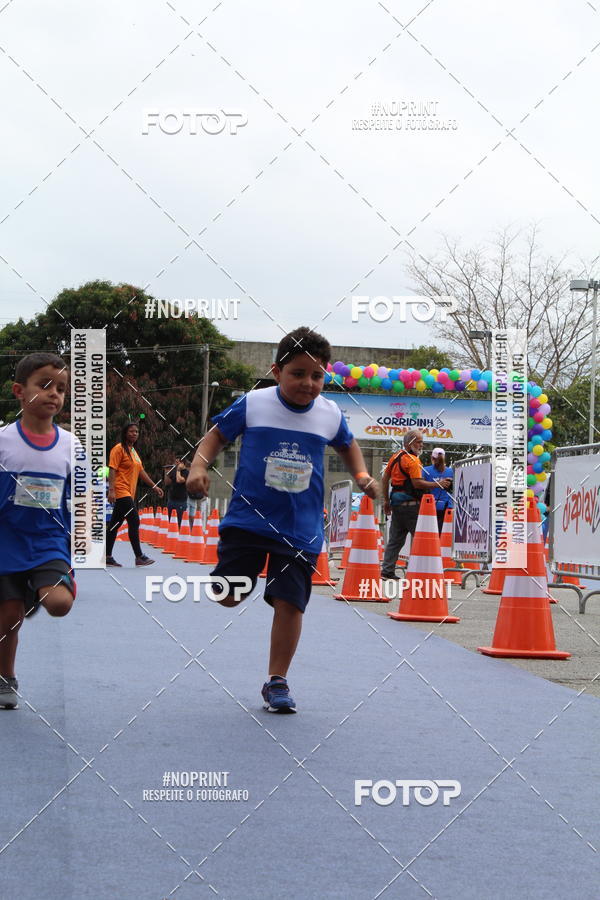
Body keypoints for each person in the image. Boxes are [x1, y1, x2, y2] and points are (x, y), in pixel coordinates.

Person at [186, 326, 379, 714]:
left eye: (317, 375)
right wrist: (197, 467)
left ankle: (277, 681)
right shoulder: (254, 403)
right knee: (228, 596)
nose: (308, 383)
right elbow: (215, 437)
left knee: (291, 603)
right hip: (249, 521)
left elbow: (349, 445)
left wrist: (361, 475)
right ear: (276, 371)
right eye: (298, 374)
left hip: (299, 528)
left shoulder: (329, 413)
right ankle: (244, 578)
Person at [0, 352, 77, 709]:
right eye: (44, 385)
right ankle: (5, 677)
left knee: (59, 604)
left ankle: (45, 587)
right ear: (19, 390)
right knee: (8, 616)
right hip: (7, 539)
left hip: (48, 539)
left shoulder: (70, 445)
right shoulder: (3, 441)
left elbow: (82, 496)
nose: (53, 394)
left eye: (60, 388)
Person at [380, 430, 451, 579]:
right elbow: (417, 483)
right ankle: (422, 573)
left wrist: (386, 501)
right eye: (419, 442)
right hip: (412, 507)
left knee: (395, 540)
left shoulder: (395, 457)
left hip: (397, 505)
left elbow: (385, 479)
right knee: (421, 539)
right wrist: (439, 484)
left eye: (422, 442)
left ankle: (387, 571)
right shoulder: (413, 460)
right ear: (409, 443)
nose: (421, 445)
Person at [105, 422, 163, 567]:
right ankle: (139, 556)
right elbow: (112, 469)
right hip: (120, 490)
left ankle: (107, 556)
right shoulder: (118, 449)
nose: (135, 434)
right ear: (125, 433)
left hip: (129, 493)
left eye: (137, 432)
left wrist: (154, 486)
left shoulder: (133, 452)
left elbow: (141, 471)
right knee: (134, 520)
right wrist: (111, 490)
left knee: (114, 525)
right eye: (131, 431)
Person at [422, 447, 454, 532]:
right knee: (445, 537)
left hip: (430, 508)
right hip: (448, 508)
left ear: (432, 457)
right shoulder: (451, 472)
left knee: (430, 535)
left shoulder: (425, 470)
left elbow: (420, 486)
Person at [165, 457, 189, 527]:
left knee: (178, 522)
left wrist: (178, 470)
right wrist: (166, 472)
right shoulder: (174, 471)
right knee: (169, 521)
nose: (175, 464)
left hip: (181, 501)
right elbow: (167, 483)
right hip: (171, 500)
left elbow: (179, 480)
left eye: (177, 462)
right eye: (175, 462)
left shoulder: (186, 472)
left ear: (182, 463)